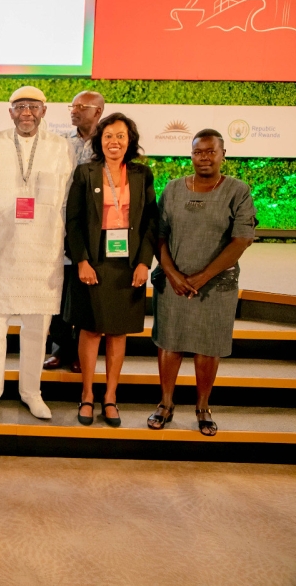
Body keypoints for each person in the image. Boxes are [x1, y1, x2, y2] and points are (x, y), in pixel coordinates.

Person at [0, 86, 75, 420]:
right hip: (0, 247)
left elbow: (70, 199)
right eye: (20, 106)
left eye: (33, 106)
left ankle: (31, 391)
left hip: (43, 249)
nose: (26, 112)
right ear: (10, 111)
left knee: (37, 327)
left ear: (44, 110)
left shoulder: (63, 148)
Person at [147, 130, 257, 437]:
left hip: (216, 286)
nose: (204, 157)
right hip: (174, 284)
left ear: (223, 154)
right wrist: (172, 274)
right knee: (170, 342)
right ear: (191, 154)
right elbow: (159, 235)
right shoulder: (172, 189)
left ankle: (203, 407)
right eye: (198, 152)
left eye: (211, 152)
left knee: (208, 346)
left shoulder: (238, 190)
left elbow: (242, 239)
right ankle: (165, 404)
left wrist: (201, 277)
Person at [65, 113, 157, 427]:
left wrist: (145, 261)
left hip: (128, 264)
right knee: (90, 330)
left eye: (120, 136)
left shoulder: (142, 174)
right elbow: (73, 222)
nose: (113, 142)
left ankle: (111, 397)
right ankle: (88, 395)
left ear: (129, 140)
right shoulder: (85, 172)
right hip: (94, 259)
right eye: (107, 136)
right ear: (99, 140)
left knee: (118, 332)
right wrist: (81, 261)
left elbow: (150, 223)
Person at [45, 90, 106, 373]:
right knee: (59, 288)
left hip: (94, 227)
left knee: (86, 291)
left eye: (81, 106)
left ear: (98, 112)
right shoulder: (60, 145)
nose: (74, 110)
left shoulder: (107, 144)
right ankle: (59, 349)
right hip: (60, 226)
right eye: (72, 106)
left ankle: (83, 351)